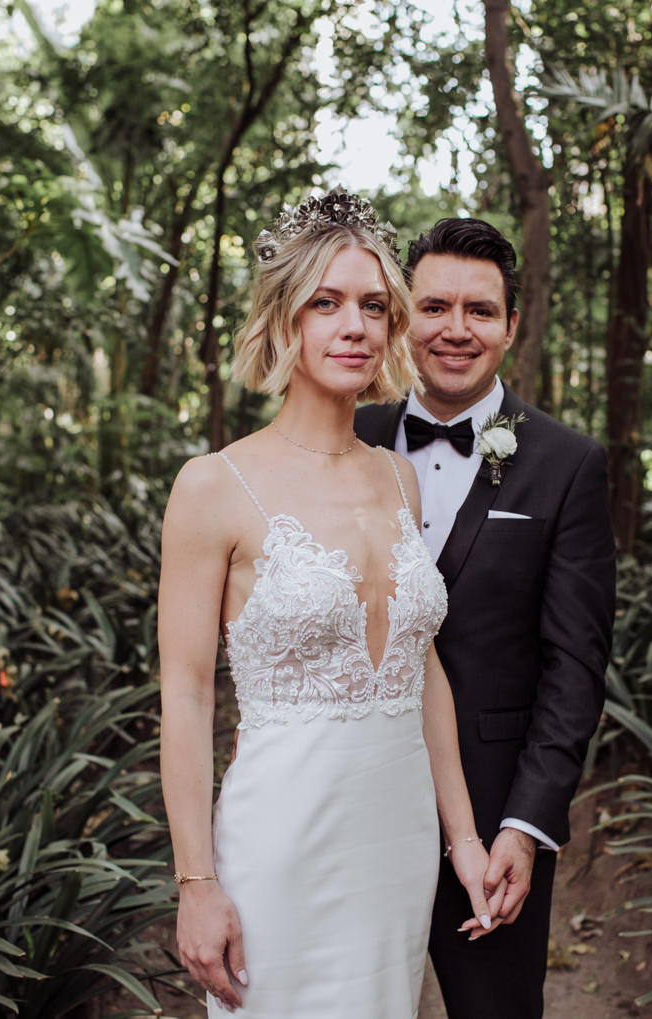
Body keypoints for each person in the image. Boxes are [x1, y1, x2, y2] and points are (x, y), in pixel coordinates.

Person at [158, 191, 500, 1017]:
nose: (354, 326)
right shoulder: (213, 485)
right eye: (326, 302)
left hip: (397, 842)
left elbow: (421, 671)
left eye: (374, 305)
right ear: (285, 320)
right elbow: (187, 695)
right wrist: (196, 881)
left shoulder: (397, 475)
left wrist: (463, 839)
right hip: (279, 843)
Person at [355, 217, 618, 1019]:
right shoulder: (348, 438)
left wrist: (528, 824)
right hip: (352, 801)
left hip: (495, 816)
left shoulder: (568, 464)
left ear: (511, 325)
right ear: (404, 317)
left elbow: (574, 665)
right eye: (434, 307)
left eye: (480, 310)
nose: (455, 330)